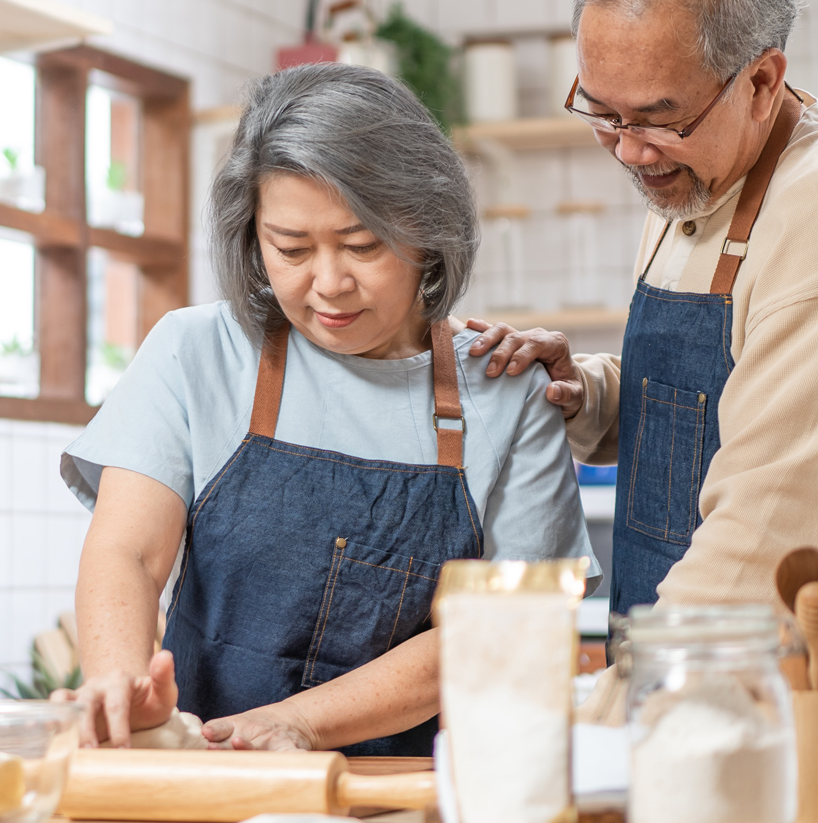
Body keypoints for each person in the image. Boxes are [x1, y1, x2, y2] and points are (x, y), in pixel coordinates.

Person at [467, 0, 818, 737]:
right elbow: (707, 405)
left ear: (761, 81)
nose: (629, 152)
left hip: (797, 689)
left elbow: (766, 529)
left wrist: (605, 729)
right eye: (602, 113)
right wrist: (588, 393)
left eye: (657, 118)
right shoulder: (695, 180)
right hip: (681, 668)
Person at [55, 63, 595, 755]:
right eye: (292, 249)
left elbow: (512, 622)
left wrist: (299, 722)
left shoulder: (507, 387)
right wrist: (121, 690)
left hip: (403, 797)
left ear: (428, 231)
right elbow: (127, 551)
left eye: (363, 246)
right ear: (254, 239)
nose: (330, 284)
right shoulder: (195, 353)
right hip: (207, 783)